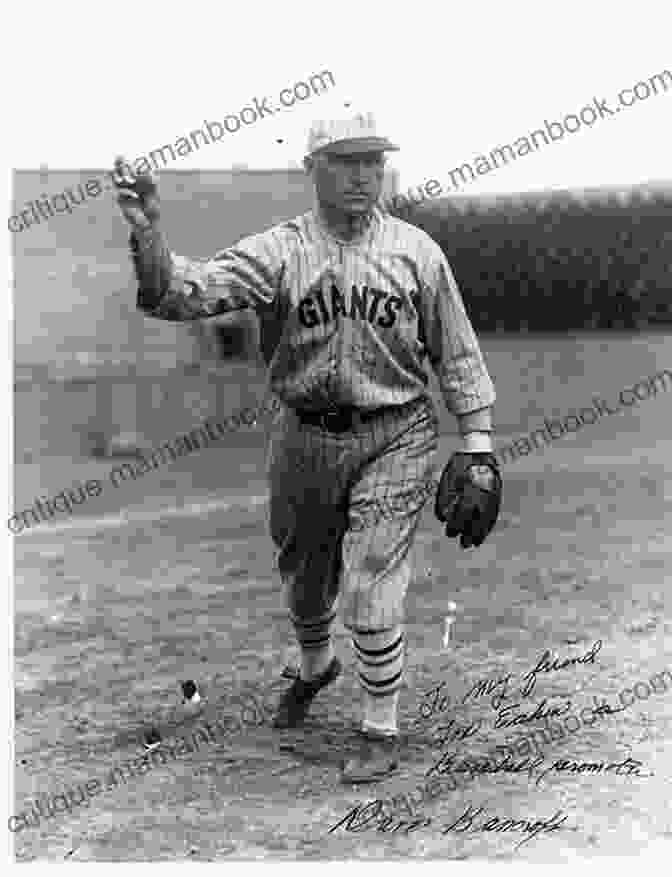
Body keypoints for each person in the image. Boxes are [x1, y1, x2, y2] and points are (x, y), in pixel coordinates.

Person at [113, 110, 500, 784]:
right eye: (345, 161)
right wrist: (148, 234)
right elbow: (183, 292)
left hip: (396, 433)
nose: (362, 176)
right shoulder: (282, 250)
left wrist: (479, 443)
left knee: (372, 581)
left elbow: (457, 352)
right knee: (304, 577)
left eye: (372, 161)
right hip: (302, 436)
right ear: (312, 169)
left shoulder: (417, 252)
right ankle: (317, 663)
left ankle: (380, 726)